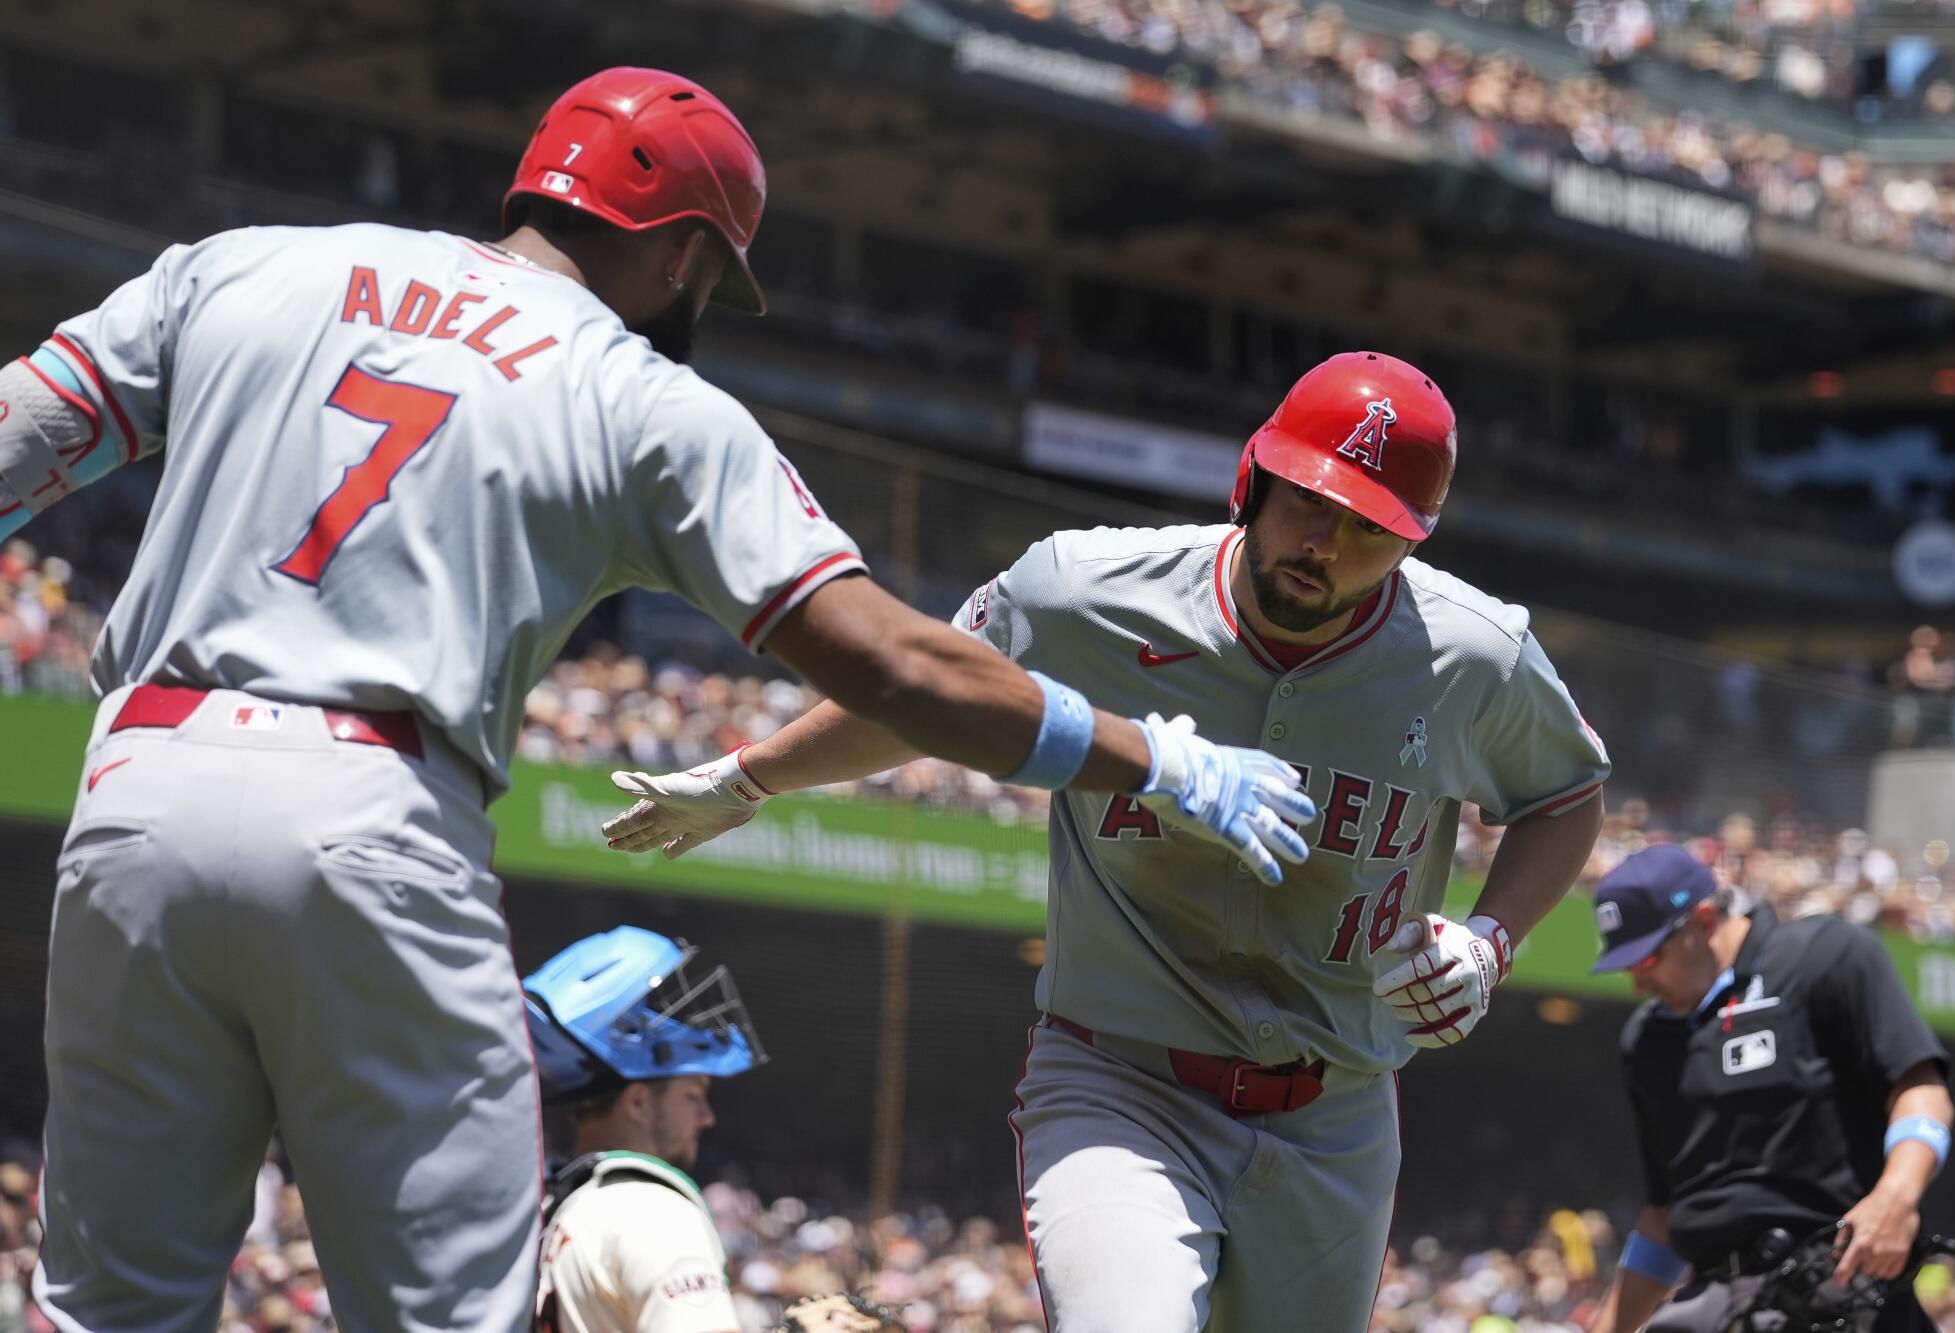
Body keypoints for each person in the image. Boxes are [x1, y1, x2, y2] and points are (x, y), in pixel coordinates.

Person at [0, 66, 1314, 1333]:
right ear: (683, 251)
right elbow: (898, 667)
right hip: (368, 808)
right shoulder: (635, 395)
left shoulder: (241, 264)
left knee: (106, 1309)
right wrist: (1153, 759)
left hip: (135, 790)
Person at [605, 351, 1612, 1332]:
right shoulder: (1086, 590)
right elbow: (930, 695)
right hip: (1118, 1083)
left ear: (1410, 543)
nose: (1323, 541)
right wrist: (751, 775)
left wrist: (1489, 937)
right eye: (1307, 499)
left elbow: (1566, 792)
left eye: (1365, 526)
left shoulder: (1472, 656)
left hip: (1333, 1111)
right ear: (1252, 479)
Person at [1587, 844, 1955, 1333]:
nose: (1638, 984)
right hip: (1719, 1304)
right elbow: (1665, 1213)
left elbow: (1920, 1087)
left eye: (1647, 959)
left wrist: (1897, 1195)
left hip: (1843, 1283)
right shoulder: (1646, 1041)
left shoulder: (1825, 956)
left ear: (1701, 920)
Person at [526, 926, 760, 1333]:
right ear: (636, 1102)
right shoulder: (652, 1211)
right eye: (692, 1095)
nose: (707, 1116)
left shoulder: (554, 1204)